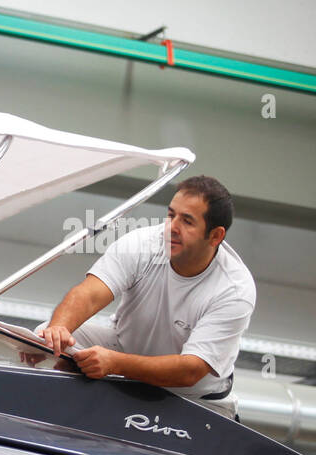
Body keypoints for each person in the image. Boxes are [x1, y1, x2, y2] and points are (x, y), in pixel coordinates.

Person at [38, 175, 254, 416]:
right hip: (124, 352)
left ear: (215, 236)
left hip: (194, 398)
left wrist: (115, 363)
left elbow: (190, 370)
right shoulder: (142, 244)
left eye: (187, 222)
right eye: (171, 215)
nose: (172, 227)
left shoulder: (235, 290)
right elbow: (89, 294)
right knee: (45, 335)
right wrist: (58, 329)